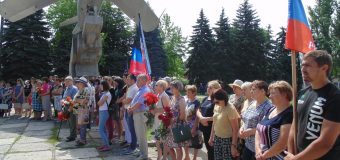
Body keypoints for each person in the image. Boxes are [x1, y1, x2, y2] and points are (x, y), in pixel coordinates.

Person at [285, 50, 340, 160]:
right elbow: (294, 126)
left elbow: (326, 142)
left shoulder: (335, 97)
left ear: (324, 68)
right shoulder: (302, 94)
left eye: (308, 65)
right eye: (302, 65)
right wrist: (291, 153)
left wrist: (297, 159)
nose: (303, 69)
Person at [255, 81, 293, 160]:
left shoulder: (289, 114)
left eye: (273, 93)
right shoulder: (271, 109)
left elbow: (283, 143)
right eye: (270, 93)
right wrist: (258, 150)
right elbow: (258, 129)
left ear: (284, 94)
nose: (270, 96)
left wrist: (264, 156)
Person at [239, 80, 272, 160]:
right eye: (251, 89)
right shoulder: (252, 103)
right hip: (248, 145)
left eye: (253, 89)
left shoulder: (268, 107)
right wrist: (242, 128)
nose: (251, 91)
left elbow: (268, 127)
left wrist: (251, 131)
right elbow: (245, 119)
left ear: (263, 91)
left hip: (259, 149)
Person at [208, 89, 240, 160]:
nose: (215, 102)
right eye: (214, 100)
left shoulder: (230, 108)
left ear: (223, 98)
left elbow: (235, 129)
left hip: (227, 140)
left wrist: (233, 145)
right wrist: (211, 137)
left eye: (217, 101)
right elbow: (214, 122)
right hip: (217, 138)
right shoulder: (216, 105)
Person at [127, 74, 151, 160]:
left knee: (141, 136)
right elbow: (135, 101)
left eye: (139, 80)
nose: (137, 81)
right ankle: (141, 153)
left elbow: (139, 103)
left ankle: (144, 155)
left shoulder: (145, 90)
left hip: (141, 114)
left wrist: (131, 109)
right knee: (139, 134)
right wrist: (130, 107)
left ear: (144, 80)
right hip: (137, 114)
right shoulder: (141, 89)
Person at [196, 80, 221, 160]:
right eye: (208, 87)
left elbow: (220, 115)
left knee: (213, 150)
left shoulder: (218, 100)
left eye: (211, 87)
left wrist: (206, 119)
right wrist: (201, 118)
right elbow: (198, 110)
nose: (208, 89)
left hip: (213, 130)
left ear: (216, 89)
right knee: (208, 149)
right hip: (204, 128)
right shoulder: (205, 98)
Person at [163, 80, 188, 160]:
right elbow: (169, 110)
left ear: (177, 88)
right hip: (170, 126)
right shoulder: (172, 98)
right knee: (169, 146)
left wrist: (173, 120)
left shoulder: (181, 100)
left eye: (172, 87)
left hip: (177, 127)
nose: (170, 88)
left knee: (178, 147)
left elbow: (183, 116)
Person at [151, 79, 171, 160]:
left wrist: (155, 110)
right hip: (157, 119)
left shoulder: (164, 96)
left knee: (163, 140)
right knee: (157, 139)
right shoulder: (158, 95)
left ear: (162, 87)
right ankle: (159, 155)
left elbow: (167, 109)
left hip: (162, 120)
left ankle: (164, 157)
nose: (155, 86)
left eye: (157, 85)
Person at [121, 74, 139, 155]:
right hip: (128, 110)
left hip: (131, 111)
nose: (126, 80)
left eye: (128, 79)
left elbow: (128, 100)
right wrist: (124, 100)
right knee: (131, 130)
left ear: (132, 80)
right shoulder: (131, 87)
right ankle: (132, 146)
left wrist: (123, 101)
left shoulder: (134, 88)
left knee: (132, 130)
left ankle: (133, 147)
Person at [184, 85, 202, 160]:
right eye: (186, 92)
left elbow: (197, 116)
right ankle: (187, 156)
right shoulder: (187, 101)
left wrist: (194, 127)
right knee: (185, 141)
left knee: (195, 142)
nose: (187, 94)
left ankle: (194, 158)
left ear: (194, 93)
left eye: (189, 92)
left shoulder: (197, 102)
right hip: (186, 124)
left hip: (194, 124)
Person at [73, 76, 90, 146]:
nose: (78, 83)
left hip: (83, 110)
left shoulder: (86, 90)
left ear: (82, 83)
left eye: (79, 82)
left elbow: (84, 101)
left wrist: (75, 100)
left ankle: (83, 140)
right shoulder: (79, 90)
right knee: (80, 126)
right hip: (78, 110)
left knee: (83, 126)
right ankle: (81, 139)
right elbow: (77, 100)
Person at [96, 80, 112, 151]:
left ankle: (107, 145)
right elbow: (99, 103)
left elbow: (99, 103)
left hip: (104, 112)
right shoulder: (104, 93)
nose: (100, 86)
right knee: (103, 129)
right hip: (102, 111)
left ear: (104, 86)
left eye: (101, 85)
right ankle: (105, 144)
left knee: (101, 129)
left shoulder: (107, 94)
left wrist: (99, 102)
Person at [62, 76, 78, 142]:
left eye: (67, 81)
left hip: (72, 107)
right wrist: (63, 101)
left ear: (71, 81)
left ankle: (73, 136)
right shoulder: (67, 88)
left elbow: (74, 100)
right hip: (66, 106)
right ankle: (71, 134)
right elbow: (64, 97)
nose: (65, 82)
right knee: (70, 122)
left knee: (73, 122)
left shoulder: (74, 89)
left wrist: (68, 104)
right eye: (65, 81)